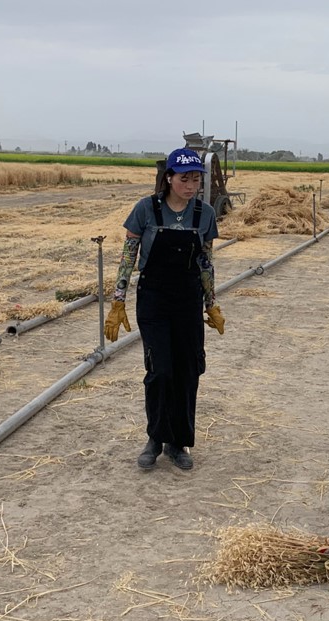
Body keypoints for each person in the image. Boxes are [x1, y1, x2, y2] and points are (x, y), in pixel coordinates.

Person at [104, 147, 224, 471]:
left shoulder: (205, 214)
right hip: (154, 299)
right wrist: (118, 300)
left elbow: (206, 263)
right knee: (160, 371)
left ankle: (178, 442)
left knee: (188, 372)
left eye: (196, 179)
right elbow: (128, 257)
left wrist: (211, 303)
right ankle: (155, 439)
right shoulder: (146, 210)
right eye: (184, 178)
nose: (191, 185)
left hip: (187, 300)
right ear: (168, 178)